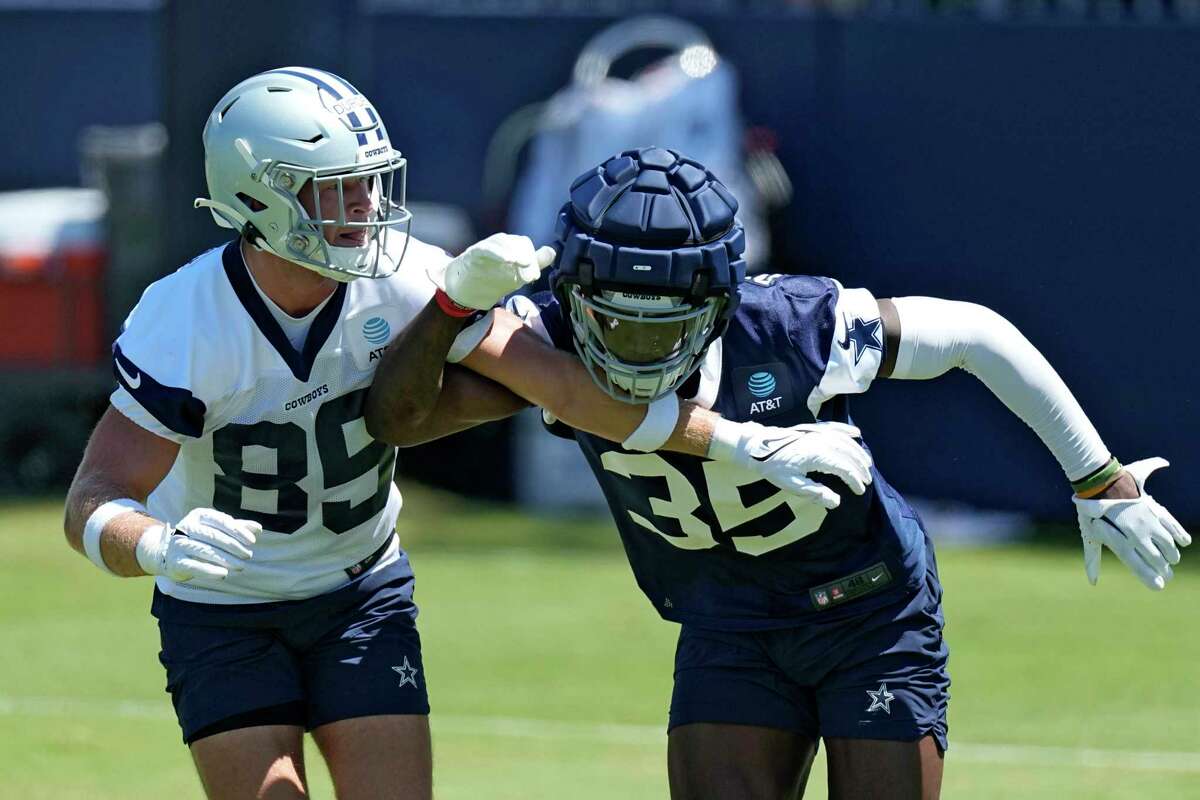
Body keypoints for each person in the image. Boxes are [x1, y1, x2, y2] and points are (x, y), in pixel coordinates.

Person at [63, 72, 871, 800]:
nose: (362, 212)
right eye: (333, 192)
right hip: (224, 609)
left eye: (367, 187)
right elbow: (92, 501)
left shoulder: (405, 275)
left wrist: (733, 441)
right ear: (256, 196)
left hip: (357, 592)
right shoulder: (186, 319)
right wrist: (157, 546)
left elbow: (563, 385)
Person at [366, 146, 1191, 800]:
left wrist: (1097, 476)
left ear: (723, 303)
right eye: (612, 324)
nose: (634, 353)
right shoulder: (546, 344)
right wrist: (451, 306)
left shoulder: (799, 327)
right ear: (573, 296)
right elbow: (399, 420)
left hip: (866, 610)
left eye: (664, 328)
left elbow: (976, 335)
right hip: (727, 621)